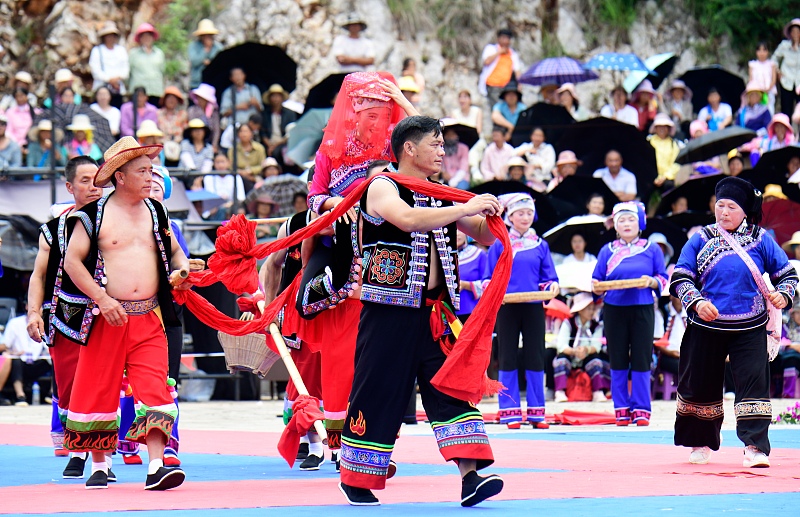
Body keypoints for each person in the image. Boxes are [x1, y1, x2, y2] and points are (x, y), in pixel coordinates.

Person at [340, 115, 503, 506]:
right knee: (379, 390)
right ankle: (357, 476)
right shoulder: (381, 186)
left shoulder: (441, 191)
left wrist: (494, 216)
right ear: (409, 149)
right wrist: (462, 204)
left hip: (436, 313)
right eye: (436, 144)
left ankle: (471, 477)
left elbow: (479, 233)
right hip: (388, 311)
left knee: (451, 386)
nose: (442, 152)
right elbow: (408, 219)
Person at [61, 136, 190, 490]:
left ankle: (156, 466)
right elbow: (72, 263)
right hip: (106, 318)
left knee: (156, 390)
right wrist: (102, 299)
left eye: (151, 170)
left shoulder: (157, 211)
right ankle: (99, 465)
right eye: (143, 171)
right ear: (120, 176)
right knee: (98, 390)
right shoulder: (91, 215)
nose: (151, 177)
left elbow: (176, 253)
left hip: (150, 317)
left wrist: (182, 271)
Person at [304, 72, 413, 464]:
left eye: (384, 110)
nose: (375, 118)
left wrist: (404, 98)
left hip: (390, 258)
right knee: (336, 359)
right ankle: (339, 443)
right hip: (342, 257)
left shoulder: (399, 147)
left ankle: (376, 442)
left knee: (380, 361)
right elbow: (314, 196)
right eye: (367, 109)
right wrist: (335, 205)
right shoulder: (329, 151)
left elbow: (431, 146)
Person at [670, 176, 798, 466]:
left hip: (750, 325)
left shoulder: (761, 238)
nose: (723, 212)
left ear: (744, 211)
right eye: (720, 205)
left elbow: (788, 275)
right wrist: (697, 302)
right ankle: (701, 441)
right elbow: (680, 276)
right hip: (706, 324)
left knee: (753, 383)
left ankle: (754, 447)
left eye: (730, 206)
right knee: (700, 384)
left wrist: (783, 296)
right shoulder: (701, 238)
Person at [27, 156, 100, 473]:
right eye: (84, 180)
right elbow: (38, 276)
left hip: (112, 314)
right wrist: (33, 313)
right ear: (70, 187)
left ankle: (102, 456)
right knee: (68, 385)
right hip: (64, 316)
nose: (93, 185)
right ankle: (77, 450)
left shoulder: (120, 220)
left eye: (97, 178)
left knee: (105, 384)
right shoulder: (53, 231)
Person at [592, 201, 667, 426]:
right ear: (615, 225)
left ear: (640, 223)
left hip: (643, 306)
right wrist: (597, 286)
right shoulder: (607, 250)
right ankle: (621, 408)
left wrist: (651, 281)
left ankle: (642, 408)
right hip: (614, 309)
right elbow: (596, 281)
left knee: (642, 358)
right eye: (621, 220)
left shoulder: (651, 248)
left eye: (631, 219)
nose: (627, 224)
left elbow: (662, 278)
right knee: (618, 358)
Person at [488, 193, 559, 429]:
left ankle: (537, 413)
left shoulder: (541, 245)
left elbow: (548, 278)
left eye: (529, 213)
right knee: (507, 356)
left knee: (535, 356)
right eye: (520, 213)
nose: (525, 217)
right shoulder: (500, 243)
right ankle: (509, 411)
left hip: (533, 307)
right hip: (507, 307)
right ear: (510, 217)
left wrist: (552, 287)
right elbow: (488, 279)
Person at [553, 292, 609, 403]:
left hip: (587, 356)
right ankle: (560, 392)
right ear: (580, 309)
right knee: (561, 360)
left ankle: (597, 391)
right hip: (570, 355)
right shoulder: (568, 323)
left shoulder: (596, 326)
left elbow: (596, 346)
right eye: (588, 309)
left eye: (593, 309)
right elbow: (561, 345)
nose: (592, 312)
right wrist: (574, 351)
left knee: (597, 360)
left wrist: (586, 350)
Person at [1, 311, 51, 406]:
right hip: (20, 360)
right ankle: (20, 396)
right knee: (16, 361)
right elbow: (6, 344)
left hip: (38, 360)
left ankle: (52, 393)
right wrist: (12, 352)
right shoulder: (15, 323)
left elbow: (48, 345)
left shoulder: (45, 321)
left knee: (54, 359)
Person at [479, 28, 523, 110]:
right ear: (498, 39)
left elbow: (517, 70)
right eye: (503, 38)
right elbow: (487, 61)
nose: (505, 41)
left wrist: (519, 84)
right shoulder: (491, 49)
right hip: (493, 85)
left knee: (507, 108)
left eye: (507, 38)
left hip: (507, 87)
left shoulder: (513, 54)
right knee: (496, 108)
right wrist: (499, 52)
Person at [88, 21, 129, 107]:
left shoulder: (121, 50)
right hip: (101, 89)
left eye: (112, 35)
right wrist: (110, 80)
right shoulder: (97, 50)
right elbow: (95, 71)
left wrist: (117, 79)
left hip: (117, 89)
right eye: (108, 35)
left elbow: (125, 70)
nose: (110, 38)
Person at [128, 23, 165, 105]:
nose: (147, 39)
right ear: (140, 39)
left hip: (155, 91)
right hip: (138, 92)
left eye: (149, 36)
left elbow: (162, 71)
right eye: (144, 36)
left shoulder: (159, 53)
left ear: (153, 38)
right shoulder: (133, 54)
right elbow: (128, 73)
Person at [199, 153, 246, 218]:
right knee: (220, 210)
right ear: (214, 163)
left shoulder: (236, 177)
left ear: (228, 162)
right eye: (217, 162)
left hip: (232, 206)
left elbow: (241, 197)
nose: (220, 165)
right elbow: (210, 198)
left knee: (239, 211)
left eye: (223, 162)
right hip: (214, 208)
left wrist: (229, 204)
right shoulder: (209, 177)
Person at [457, 230, 488, 322]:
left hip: (473, 312)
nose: (457, 233)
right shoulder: (437, 257)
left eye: (460, 230)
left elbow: (489, 284)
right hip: (445, 313)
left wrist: (465, 285)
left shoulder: (479, 255)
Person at [261, 84, 299, 158]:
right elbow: (262, 133)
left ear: (282, 98)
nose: (275, 99)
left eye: (278, 96)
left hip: (283, 142)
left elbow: (291, 131)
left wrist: (276, 145)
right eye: (273, 96)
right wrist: (269, 144)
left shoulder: (289, 113)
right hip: (269, 142)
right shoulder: (265, 114)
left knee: (279, 152)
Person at [227, 123, 266, 192]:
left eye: (246, 131)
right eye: (241, 131)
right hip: (238, 176)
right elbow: (230, 166)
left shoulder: (259, 148)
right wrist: (241, 172)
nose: (243, 134)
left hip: (255, 176)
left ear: (251, 133)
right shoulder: (232, 150)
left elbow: (262, 165)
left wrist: (250, 171)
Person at [774, 19, 800, 118]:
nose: (796, 34)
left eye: (798, 31)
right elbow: (774, 58)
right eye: (793, 31)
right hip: (786, 80)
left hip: (799, 82)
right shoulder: (784, 45)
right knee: (786, 110)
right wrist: (777, 71)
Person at [649, 113, 681, 191]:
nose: (662, 129)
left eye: (665, 126)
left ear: (669, 128)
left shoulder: (673, 144)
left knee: (669, 187)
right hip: (650, 176)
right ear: (655, 128)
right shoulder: (649, 141)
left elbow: (676, 164)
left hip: (667, 178)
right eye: (659, 126)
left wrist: (665, 177)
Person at [158, 86, 189, 166]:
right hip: (161, 145)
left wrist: (176, 141)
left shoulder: (183, 114)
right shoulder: (158, 113)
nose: (171, 100)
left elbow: (186, 132)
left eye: (174, 98)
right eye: (169, 98)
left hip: (179, 144)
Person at [188, 19, 223, 90]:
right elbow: (194, 61)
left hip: (213, 83)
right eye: (205, 35)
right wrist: (205, 50)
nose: (207, 38)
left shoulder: (218, 47)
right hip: (197, 84)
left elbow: (221, 63)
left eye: (209, 35)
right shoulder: (193, 46)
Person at [188, 83, 221, 152]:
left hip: (209, 141)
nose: (199, 99)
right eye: (198, 97)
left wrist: (214, 145)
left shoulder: (214, 113)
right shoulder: (192, 110)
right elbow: (191, 127)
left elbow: (216, 130)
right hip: (194, 141)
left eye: (202, 98)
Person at [749, 42, 778, 115]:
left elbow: (774, 79)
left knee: (769, 111)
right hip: (756, 93)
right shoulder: (753, 65)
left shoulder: (771, 64)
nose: (762, 53)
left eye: (764, 50)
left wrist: (767, 90)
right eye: (759, 50)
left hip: (769, 92)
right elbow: (751, 80)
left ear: (768, 52)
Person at [442, 125, 470, 189]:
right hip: (446, 178)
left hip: (461, 178)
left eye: (452, 135)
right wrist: (443, 172)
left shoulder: (463, 148)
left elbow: (463, 168)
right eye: (448, 135)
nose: (450, 137)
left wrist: (454, 181)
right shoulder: (441, 148)